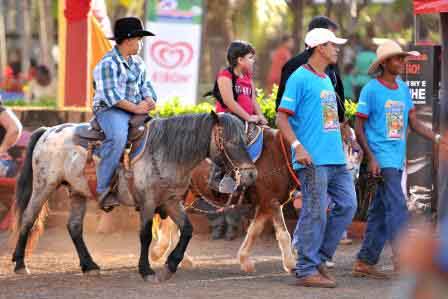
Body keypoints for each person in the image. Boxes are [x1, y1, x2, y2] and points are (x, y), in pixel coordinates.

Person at [352, 40, 448, 279]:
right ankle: (404, 259)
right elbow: (359, 126)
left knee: (380, 211)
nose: (402, 63)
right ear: (384, 63)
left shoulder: (403, 88)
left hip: (396, 159)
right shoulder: (371, 90)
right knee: (397, 207)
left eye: (403, 58)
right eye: (398, 59)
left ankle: (365, 261)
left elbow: (413, 123)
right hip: (381, 160)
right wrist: (371, 157)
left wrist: (437, 137)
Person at [277, 28, 357, 288]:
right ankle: (306, 270)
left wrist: (346, 136)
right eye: (333, 45)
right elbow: (281, 117)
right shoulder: (299, 78)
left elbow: (328, 120)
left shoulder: (326, 78)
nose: (337, 49)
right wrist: (298, 146)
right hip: (312, 159)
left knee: (348, 205)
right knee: (314, 213)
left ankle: (318, 257)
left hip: (335, 158)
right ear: (320, 47)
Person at [92, 17, 157, 211]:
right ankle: (103, 190)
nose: (141, 43)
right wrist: (137, 108)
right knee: (118, 137)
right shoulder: (108, 64)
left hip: (134, 108)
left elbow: (146, 86)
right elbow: (112, 97)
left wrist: (149, 99)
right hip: (110, 110)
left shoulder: (137, 62)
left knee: (158, 133)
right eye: (139, 39)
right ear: (128, 40)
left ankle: (146, 185)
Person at [209, 40, 267, 194]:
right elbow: (229, 101)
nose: (253, 60)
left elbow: (253, 100)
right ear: (240, 60)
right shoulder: (225, 75)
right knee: (234, 140)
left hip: (246, 119)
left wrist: (260, 116)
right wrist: (248, 117)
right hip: (227, 120)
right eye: (250, 57)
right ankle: (218, 177)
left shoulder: (248, 77)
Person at [276, 16, 345, 125]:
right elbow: (282, 114)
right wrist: (295, 141)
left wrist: (338, 129)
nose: (336, 48)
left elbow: (332, 117)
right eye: (332, 42)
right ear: (320, 45)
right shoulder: (296, 71)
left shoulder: (327, 75)